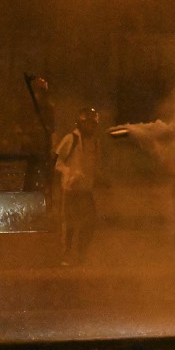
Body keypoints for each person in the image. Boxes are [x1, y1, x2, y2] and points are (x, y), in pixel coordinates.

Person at [54, 107, 102, 265]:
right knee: (70, 224)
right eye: (88, 124)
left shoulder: (95, 142)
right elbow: (56, 162)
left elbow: (94, 165)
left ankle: (81, 253)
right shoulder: (71, 139)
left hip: (86, 190)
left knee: (90, 223)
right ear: (81, 123)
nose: (91, 127)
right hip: (71, 190)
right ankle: (66, 255)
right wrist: (70, 172)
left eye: (93, 124)